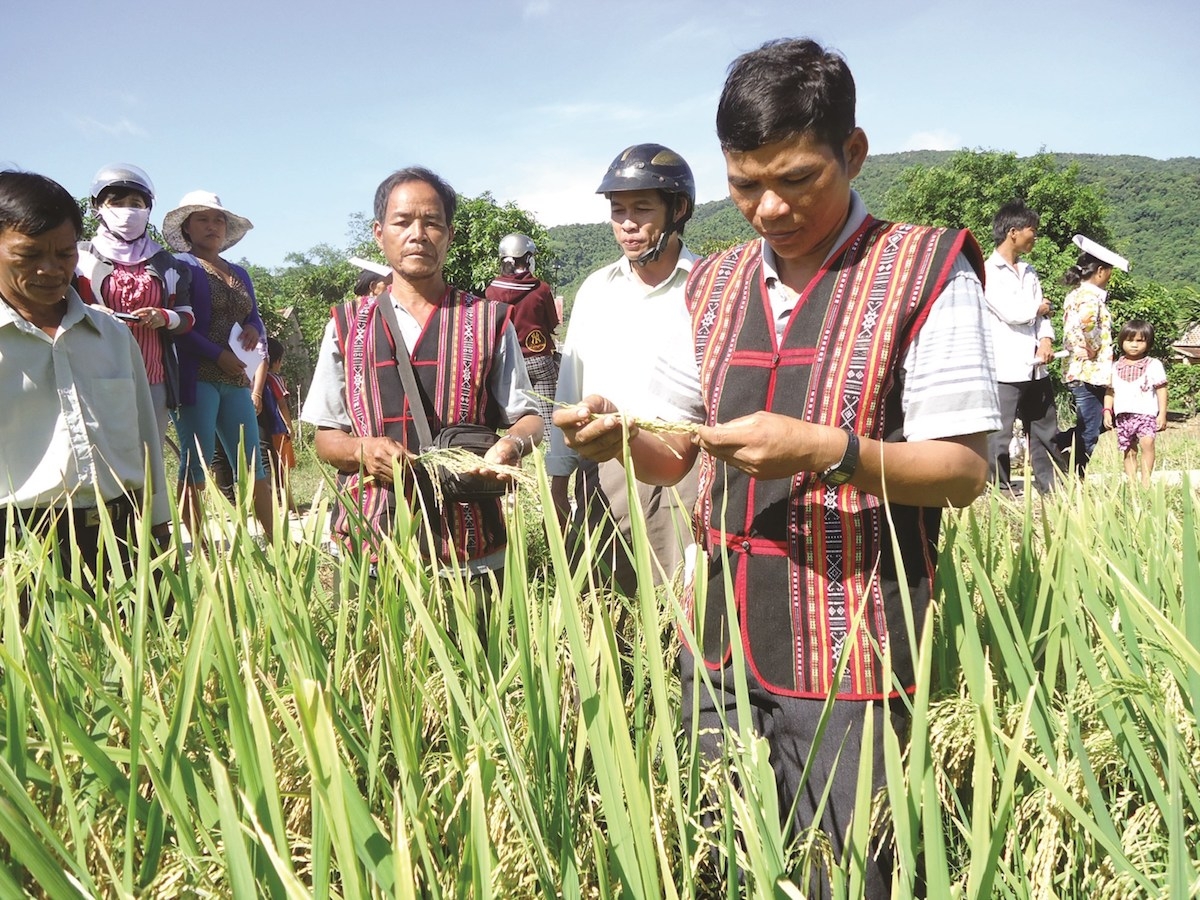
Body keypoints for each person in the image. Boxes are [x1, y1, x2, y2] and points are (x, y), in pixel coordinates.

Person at [554, 39, 998, 897]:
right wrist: (617, 440)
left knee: (849, 869)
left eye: (797, 179)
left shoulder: (926, 269)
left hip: (852, 647)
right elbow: (676, 450)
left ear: (853, 153)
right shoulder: (712, 285)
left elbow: (963, 472)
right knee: (716, 852)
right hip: (715, 634)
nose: (769, 207)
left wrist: (828, 451)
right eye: (744, 183)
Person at [302, 167, 542, 581]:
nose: (417, 234)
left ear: (448, 235)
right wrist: (363, 452)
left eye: (432, 222)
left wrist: (510, 448)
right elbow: (327, 437)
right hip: (371, 545)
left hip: (471, 546)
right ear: (379, 233)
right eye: (402, 222)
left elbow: (531, 419)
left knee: (478, 647)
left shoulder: (487, 320)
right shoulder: (346, 326)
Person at [0, 170, 170, 589]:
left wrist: (161, 525)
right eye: (28, 255)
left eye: (64, 254)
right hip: (20, 550)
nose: (50, 270)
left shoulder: (111, 334)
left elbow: (146, 438)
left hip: (123, 535)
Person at [547, 143, 701, 597]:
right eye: (618, 211)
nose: (628, 223)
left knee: (684, 607)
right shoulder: (597, 289)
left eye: (641, 208)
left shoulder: (708, 285)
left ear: (679, 209)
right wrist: (559, 479)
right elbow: (570, 385)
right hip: (605, 469)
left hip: (684, 470)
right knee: (607, 609)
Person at [162, 191, 274, 542]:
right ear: (187, 228)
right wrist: (217, 355)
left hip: (236, 378)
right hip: (197, 378)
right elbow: (179, 326)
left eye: (218, 220)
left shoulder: (239, 272)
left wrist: (255, 327)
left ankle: (277, 544)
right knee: (195, 462)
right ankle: (197, 547)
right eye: (203, 219)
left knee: (252, 460)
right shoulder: (180, 266)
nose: (213, 226)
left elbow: (252, 314)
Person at [74, 164, 194, 445]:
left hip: (153, 375)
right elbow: (58, 307)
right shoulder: (78, 257)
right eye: (116, 202)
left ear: (147, 209)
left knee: (147, 452)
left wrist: (164, 316)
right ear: (98, 207)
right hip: (96, 374)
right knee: (103, 452)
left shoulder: (167, 264)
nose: (127, 210)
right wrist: (90, 312)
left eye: (136, 204)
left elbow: (187, 317)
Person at [983, 200, 1060, 495]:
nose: (1035, 236)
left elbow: (1042, 318)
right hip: (1005, 365)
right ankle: (998, 489)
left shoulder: (1029, 271)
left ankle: (1051, 487)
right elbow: (1012, 313)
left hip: (1035, 367)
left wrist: (1045, 340)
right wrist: (1040, 307)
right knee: (999, 434)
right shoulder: (988, 271)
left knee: (1044, 430)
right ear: (1013, 232)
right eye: (1033, 230)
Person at [1062, 233, 1129, 475]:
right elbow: (1088, 324)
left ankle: (1052, 445)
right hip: (1088, 371)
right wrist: (1091, 346)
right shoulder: (1090, 297)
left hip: (1083, 371)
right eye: (1109, 271)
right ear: (1100, 271)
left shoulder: (1076, 295)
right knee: (1090, 428)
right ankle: (1074, 472)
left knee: (1096, 423)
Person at [485, 233, 560, 434]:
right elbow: (552, 324)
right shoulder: (541, 289)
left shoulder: (491, 291)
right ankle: (549, 456)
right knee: (547, 421)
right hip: (538, 358)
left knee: (514, 419)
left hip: (507, 362)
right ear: (527, 258)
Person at [1104, 319, 1168, 488]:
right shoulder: (1114, 366)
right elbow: (1110, 391)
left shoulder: (1154, 365)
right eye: (1130, 340)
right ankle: (1132, 485)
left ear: (1148, 342)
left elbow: (1161, 389)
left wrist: (1162, 413)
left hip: (1146, 413)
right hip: (1123, 415)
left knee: (1147, 442)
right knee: (1128, 449)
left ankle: (1146, 481)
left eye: (1140, 341)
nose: (1134, 345)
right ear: (1122, 341)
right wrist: (1107, 411)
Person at [257, 337, 298, 511]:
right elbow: (282, 404)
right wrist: (290, 426)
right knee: (284, 468)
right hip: (279, 430)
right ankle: (288, 504)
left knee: (269, 466)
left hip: (264, 430)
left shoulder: (255, 380)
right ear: (278, 361)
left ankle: (273, 503)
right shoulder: (275, 379)